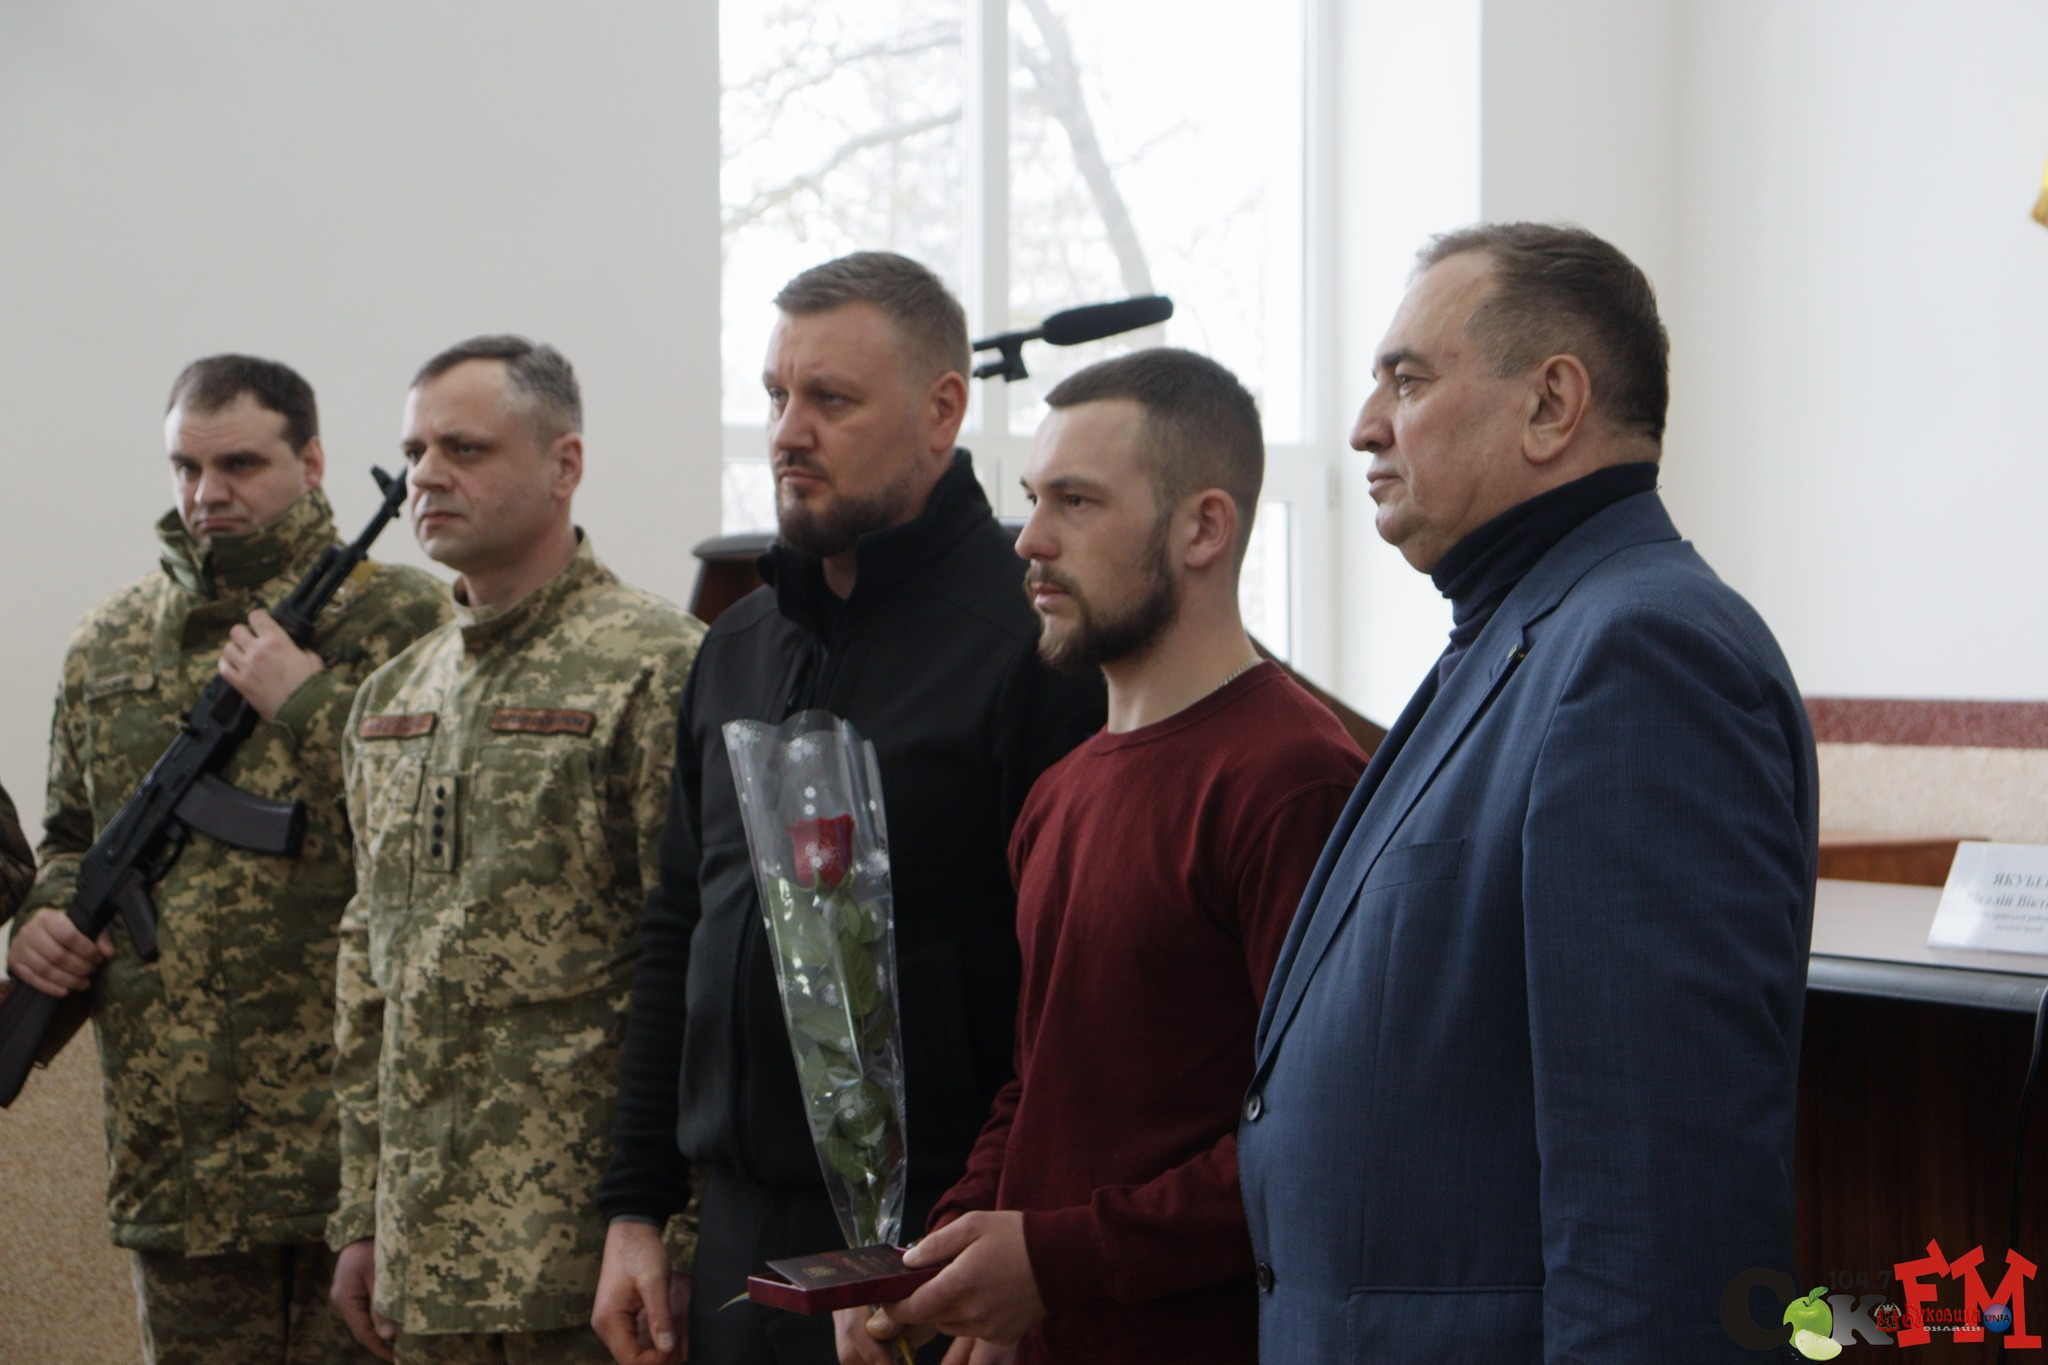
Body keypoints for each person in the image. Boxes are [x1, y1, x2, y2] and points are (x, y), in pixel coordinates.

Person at [1237, 224, 1819, 1362]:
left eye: (1408, 380)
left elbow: (1658, 1210)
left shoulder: (1641, 656)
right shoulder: (1522, 634)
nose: (1365, 425)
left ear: (1550, 405)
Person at [594, 252, 1106, 1365]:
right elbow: (680, 926)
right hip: (737, 1236)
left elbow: (1070, 990)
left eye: (829, 399)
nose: (787, 432)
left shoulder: (1030, 643)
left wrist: (1008, 1249)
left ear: (941, 410)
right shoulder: (737, 644)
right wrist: (636, 1205)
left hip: (937, 1238)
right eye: (776, 395)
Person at [844, 350, 1366, 1365]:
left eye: (1075, 502)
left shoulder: (1293, 779)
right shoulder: (1061, 789)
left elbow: (1324, 1143)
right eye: (1034, 497)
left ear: (1203, 529)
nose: (1030, 539)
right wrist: (935, 1260)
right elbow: (1036, 1085)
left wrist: (1053, 1261)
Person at [4, 355, 450, 1365]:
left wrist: (311, 702)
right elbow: (70, 835)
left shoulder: (403, 621)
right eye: (186, 467)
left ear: (312, 461)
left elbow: (447, 827)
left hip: (356, 1142)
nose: (208, 493)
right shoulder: (109, 641)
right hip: (182, 1146)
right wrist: (44, 919)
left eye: (240, 464)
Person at [326, 337, 705, 1365]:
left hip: (587, 1254)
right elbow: (368, 972)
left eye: (465, 448)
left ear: (563, 463)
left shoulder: (659, 666)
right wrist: (361, 1211)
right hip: (425, 1256)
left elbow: (703, 959)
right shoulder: (391, 696)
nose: (426, 476)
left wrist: (679, 1228)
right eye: (415, 450)